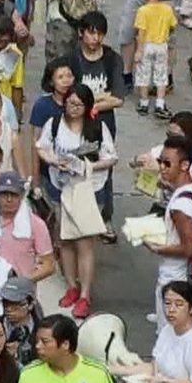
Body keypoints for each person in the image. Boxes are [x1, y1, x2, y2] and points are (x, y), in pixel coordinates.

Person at [36, 85, 116, 320]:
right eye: (70, 103)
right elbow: (41, 147)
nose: (74, 108)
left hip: (89, 190)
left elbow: (111, 157)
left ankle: (85, 294)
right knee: (65, 241)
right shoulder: (54, 124)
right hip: (61, 188)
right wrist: (54, 161)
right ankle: (71, 285)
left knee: (84, 244)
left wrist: (86, 165)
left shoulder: (97, 127)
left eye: (79, 104)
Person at [146, 136, 192, 333]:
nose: (162, 167)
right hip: (180, 277)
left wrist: (157, 248)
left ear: (184, 165)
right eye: (160, 161)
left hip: (174, 278)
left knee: (169, 336)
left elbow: (188, 248)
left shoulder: (180, 206)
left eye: (167, 163)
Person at [110, 282, 192, 383]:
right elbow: (155, 367)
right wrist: (111, 370)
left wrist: (164, 381)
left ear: (191, 308)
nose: (171, 309)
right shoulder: (167, 330)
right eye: (167, 303)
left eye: (179, 304)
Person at [16, 315, 115, 383]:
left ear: (65, 344)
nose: (37, 346)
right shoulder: (28, 375)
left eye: (45, 341)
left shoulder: (98, 373)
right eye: (37, 341)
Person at [130, 0, 177, 119]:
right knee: (161, 74)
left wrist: (139, 50)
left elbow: (141, 32)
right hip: (161, 45)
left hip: (147, 45)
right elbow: (173, 26)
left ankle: (144, 103)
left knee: (143, 74)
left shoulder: (143, 11)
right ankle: (160, 104)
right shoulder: (167, 9)